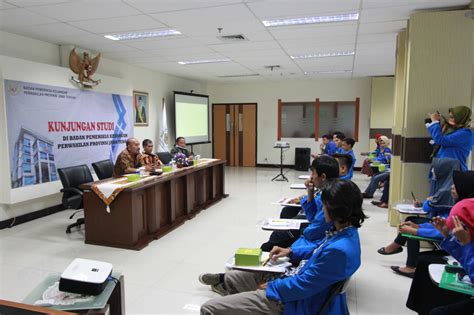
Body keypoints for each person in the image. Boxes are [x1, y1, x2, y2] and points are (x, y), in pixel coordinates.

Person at [199, 180, 366, 315]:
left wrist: (273, 287)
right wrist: (291, 251)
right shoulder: (345, 234)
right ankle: (228, 285)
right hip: (296, 283)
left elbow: (304, 285)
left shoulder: (339, 250)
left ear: (335, 209)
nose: (322, 209)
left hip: (296, 302)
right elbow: (317, 250)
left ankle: (235, 295)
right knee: (249, 273)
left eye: (324, 205)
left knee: (209, 309)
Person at [377, 158, 460, 278]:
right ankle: (398, 247)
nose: (433, 172)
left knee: (411, 231)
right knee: (411, 223)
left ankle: (410, 265)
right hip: (439, 225)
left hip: (443, 232)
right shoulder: (446, 185)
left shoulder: (447, 191)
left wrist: (417, 230)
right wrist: (419, 226)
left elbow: (442, 225)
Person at [406, 171, 474, 314]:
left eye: (456, 185)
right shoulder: (462, 204)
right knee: (424, 261)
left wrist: (466, 244)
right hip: (465, 257)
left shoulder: (463, 207)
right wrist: (446, 234)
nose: (452, 187)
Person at [260, 155, 340, 251]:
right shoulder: (325, 191)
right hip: (312, 232)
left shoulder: (328, 199)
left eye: (313, 173)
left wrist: (301, 234)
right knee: (286, 214)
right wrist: (310, 190)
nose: (311, 177)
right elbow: (313, 216)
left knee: (269, 244)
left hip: (311, 237)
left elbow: (315, 228)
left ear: (323, 177)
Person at [426, 106, 472, 172]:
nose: (449, 119)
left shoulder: (466, 134)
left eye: (452, 117)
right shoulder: (457, 130)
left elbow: (441, 140)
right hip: (445, 169)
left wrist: (435, 122)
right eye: (449, 116)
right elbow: (447, 144)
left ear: (459, 118)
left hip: (453, 172)